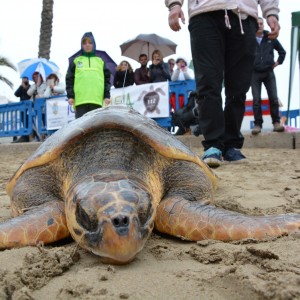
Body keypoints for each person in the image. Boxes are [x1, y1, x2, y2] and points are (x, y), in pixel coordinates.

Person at [165, 1, 281, 168]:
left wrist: (270, 12)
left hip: (244, 16)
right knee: (208, 82)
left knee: (239, 86)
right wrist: (175, 4)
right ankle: (213, 144)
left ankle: (232, 144)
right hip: (204, 13)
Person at [251, 17, 286, 135]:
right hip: (254, 73)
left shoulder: (270, 37)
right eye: (258, 24)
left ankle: (276, 123)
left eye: (262, 23)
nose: (260, 25)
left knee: (273, 98)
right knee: (256, 100)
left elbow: (282, 52)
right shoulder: (249, 39)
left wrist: (277, 63)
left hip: (268, 72)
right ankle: (257, 125)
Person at [66, 32, 111, 119]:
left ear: (94, 44)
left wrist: (106, 96)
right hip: (80, 101)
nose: (87, 45)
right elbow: (69, 79)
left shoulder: (100, 61)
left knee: (96, 128)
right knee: (81, 128)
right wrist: (71, 96)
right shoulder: (76, 61)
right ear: (82, 45)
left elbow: (107, 80)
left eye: (90, 43)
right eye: (85, 43)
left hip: (96, 100)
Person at [13, 77, 31, 143]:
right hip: (22, 109)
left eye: (26, 78)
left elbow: (29, 95)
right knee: (23, 121)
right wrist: (21, 87)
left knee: (29, 122)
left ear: (28, 80)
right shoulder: (21, 87)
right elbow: (16, 94)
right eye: (23, 79)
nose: (25, 80)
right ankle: (25, 136)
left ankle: (28, 136)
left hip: (29, 108)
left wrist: (26, 88)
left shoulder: (30, 87)